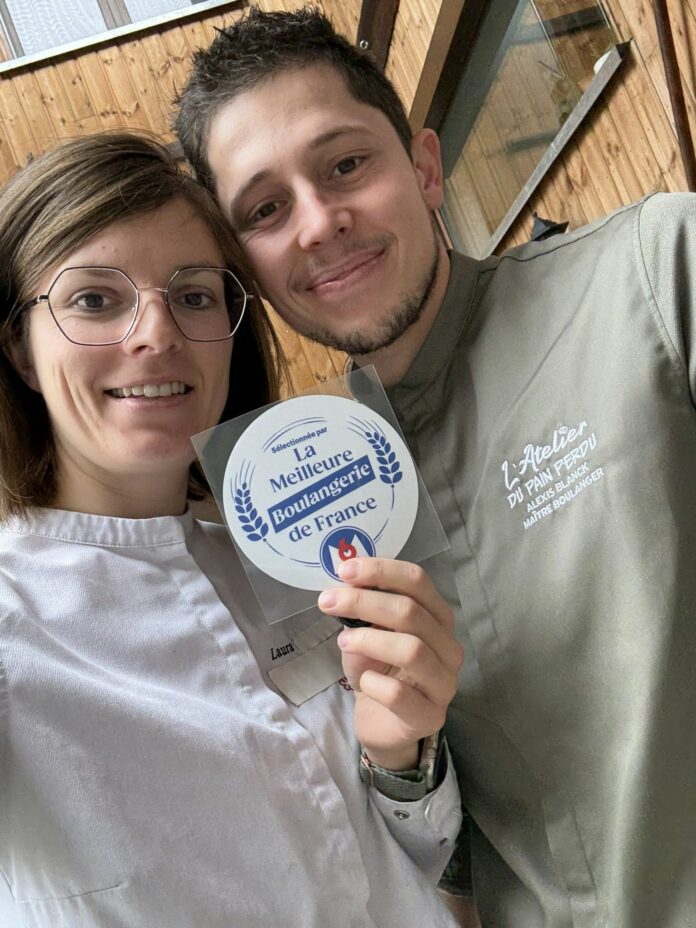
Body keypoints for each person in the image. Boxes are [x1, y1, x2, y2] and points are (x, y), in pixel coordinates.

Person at [174, 7, 696, 928]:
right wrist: (402, 761)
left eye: (345, 164)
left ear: (422, 166)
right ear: (244, 264)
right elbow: (435, 867)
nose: (320, 222)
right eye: (264, 208)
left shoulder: (657, 276)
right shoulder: (297, 530)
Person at [0, 131, 465, 928]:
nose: (156, 333)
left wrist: (402, 760)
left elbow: (420, 865)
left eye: (193, 294)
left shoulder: (296, 559)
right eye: (94, 299)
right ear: (21, 351)